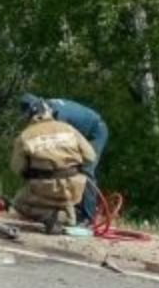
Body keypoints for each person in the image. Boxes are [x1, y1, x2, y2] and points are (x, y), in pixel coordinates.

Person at [11, 97, 97, 233]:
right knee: (67, 197)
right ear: (49, 112)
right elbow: (91, 157)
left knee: (18, 203)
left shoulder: (24, 136)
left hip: (44, 188)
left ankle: (49, 215)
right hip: (74, 188)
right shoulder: (69, 129)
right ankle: (69, 217)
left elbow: (17, 168)